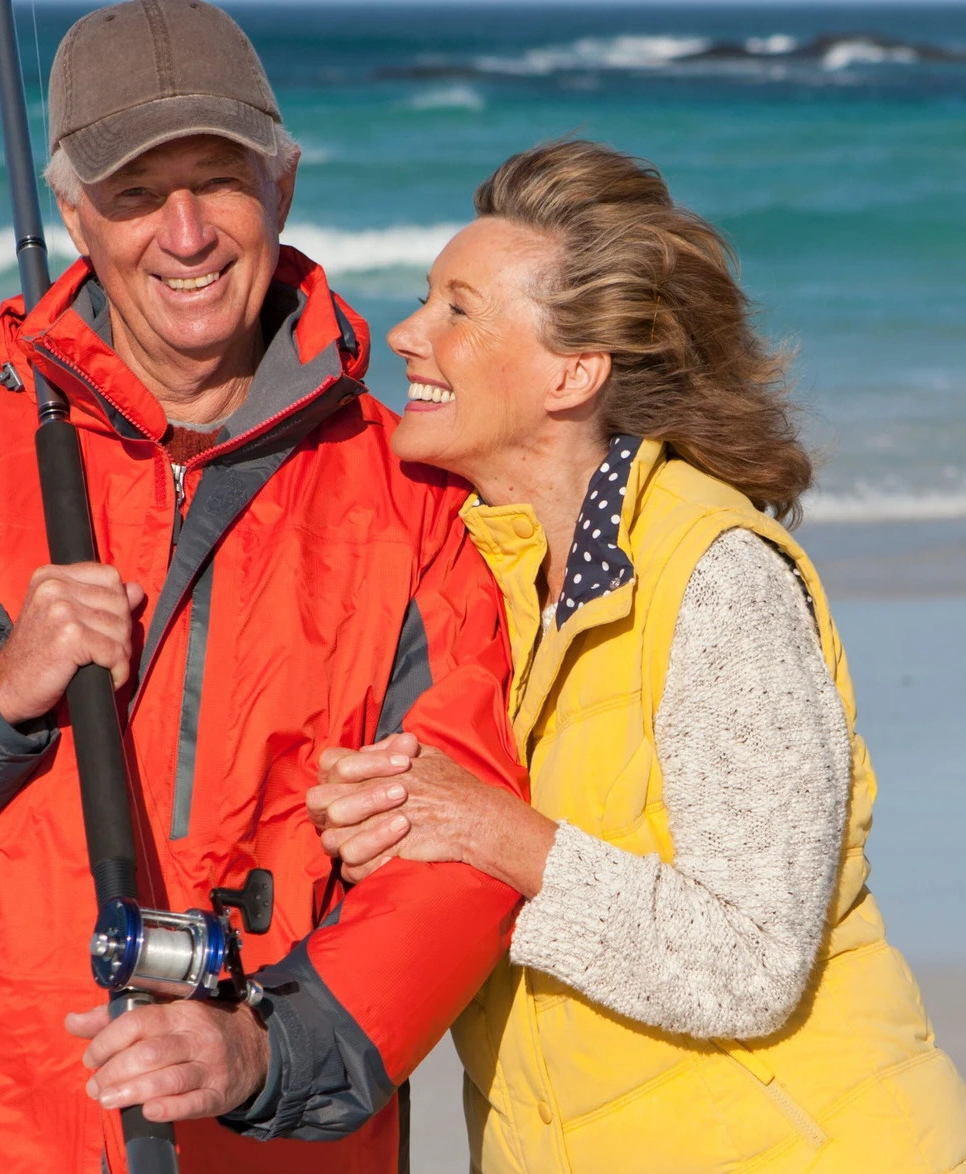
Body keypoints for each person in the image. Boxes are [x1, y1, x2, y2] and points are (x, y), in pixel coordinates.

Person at [0, 3, 528, 1172]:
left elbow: (455, 853)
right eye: (136, 192)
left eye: (218, 179)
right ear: (74, 210)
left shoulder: (412, 496)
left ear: (280, 183)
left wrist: (269, 1051)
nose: (184, 233)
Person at [311, 139, 966, 1173]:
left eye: (457, 310)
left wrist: (495, 833)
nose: (404, 334)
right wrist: (389, 826)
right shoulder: (483, 582)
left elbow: (749, 961)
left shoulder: (718, 580)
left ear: (572, 372)